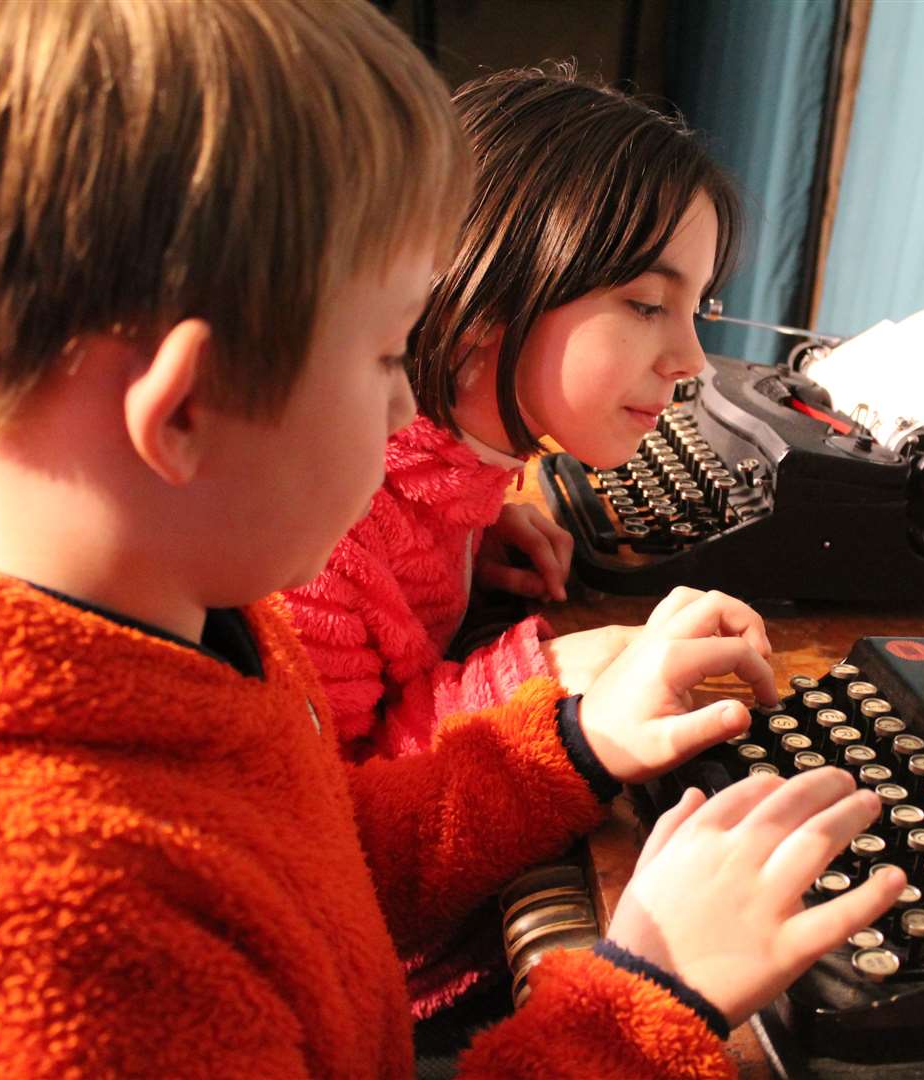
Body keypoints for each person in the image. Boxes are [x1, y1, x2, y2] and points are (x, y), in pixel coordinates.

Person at [0, 3, 904, 1077]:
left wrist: (568, 748)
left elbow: (315, 861)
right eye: (390, 357)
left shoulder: (205, 617)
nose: (406, 418)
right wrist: (638, 1009)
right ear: (187, 408)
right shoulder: (40, 950)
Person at [284, 68, 742, 764]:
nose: (693, 360)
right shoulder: (321, 542)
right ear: (487, 295)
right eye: (648, 305)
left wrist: (469, 532)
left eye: (697, 309)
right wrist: (540, 684)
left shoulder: (446, 474)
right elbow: (335, 821)